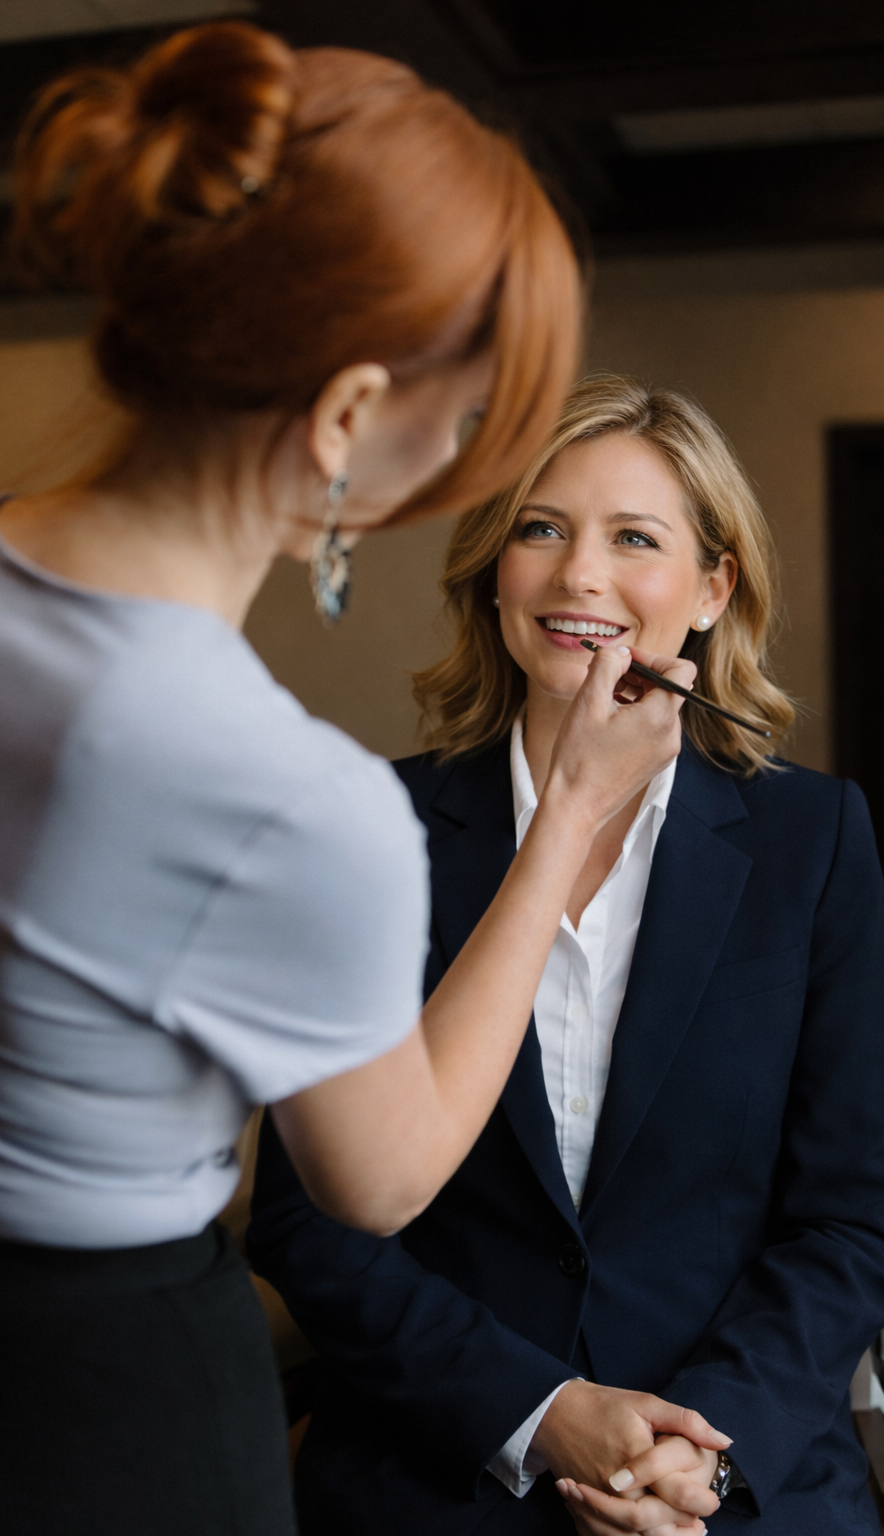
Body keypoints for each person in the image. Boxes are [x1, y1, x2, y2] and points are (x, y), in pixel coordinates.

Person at [0, 28, 727, 1536]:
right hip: (99, 1401)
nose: (461, 471)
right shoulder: (288, 796)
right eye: (464, 426)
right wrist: (573, 819)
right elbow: (377, 1184)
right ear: (342, 419)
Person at [248, 374, 884, 1536]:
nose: (578, 575)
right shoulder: (366, 829)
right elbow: (308, 1223)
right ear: (495, 576)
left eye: (632, 538)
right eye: (540, 528)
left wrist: (691, 1458)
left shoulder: (816, 842)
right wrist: (539, 1413)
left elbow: (852, 1216)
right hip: (436, 1488)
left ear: (710, 588)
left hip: (735, 1492)